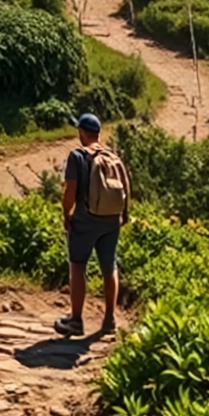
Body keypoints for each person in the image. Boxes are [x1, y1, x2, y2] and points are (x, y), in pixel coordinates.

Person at [56, 113, 129, 336]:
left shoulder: (77, 156)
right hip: (111, 220)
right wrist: (123, 215)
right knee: (109, 267)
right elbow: (126, 186)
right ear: (98, 133)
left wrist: (66, 214)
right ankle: (109, 319)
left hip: (86, 219)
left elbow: (70, 190)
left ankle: (76, 320)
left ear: (81, 133)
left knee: (78, 265)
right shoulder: (113, 156)